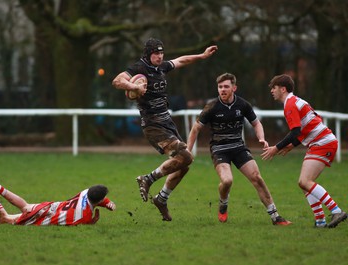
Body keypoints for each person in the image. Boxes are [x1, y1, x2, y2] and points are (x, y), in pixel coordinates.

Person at [112, 38, 218, 221]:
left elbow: (182, 60)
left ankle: (162, 199)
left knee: (183, 164)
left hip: (167, 121)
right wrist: (134, 86)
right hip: (152, 124)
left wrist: (202, 55)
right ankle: (148, 179)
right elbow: (117, 81)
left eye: (162, 53)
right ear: (147, 54)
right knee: (186, 157)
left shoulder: (161, 67)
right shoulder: (139, 68)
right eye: (156, 53)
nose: (160, 56)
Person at [187, 73, 291, 225]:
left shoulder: (242, 105)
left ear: (234, 88)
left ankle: (276, 217)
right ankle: (223, 204)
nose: (222, 90)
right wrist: (188, 151)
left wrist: (261, 138)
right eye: (220, 87)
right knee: (227, 181)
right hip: (219, 149)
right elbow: (195, 129)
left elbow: (256, 123)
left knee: (257, 178)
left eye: (226, 87)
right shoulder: (212, 107)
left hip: (238, 147)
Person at [261, 74, 347, 228]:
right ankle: (320, 221)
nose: (271, 91)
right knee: (304, 183)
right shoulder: (295, 101)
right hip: (320, 142)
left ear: (283, 89)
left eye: (274, 88)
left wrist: (276, 148)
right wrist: (292, 145)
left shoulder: (290, 104)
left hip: (323, 143)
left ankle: (336, 210)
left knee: (305, 181)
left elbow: (295, 131)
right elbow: (307, 127)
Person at [0, 170, 116, 225]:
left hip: (49, 207)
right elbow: (86, 220)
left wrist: (107, 203)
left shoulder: (84, 193)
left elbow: (96, 198)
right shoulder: (85, 216)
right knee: (4, 219)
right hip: (43, 218)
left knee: (24, 205)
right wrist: (92, 222)